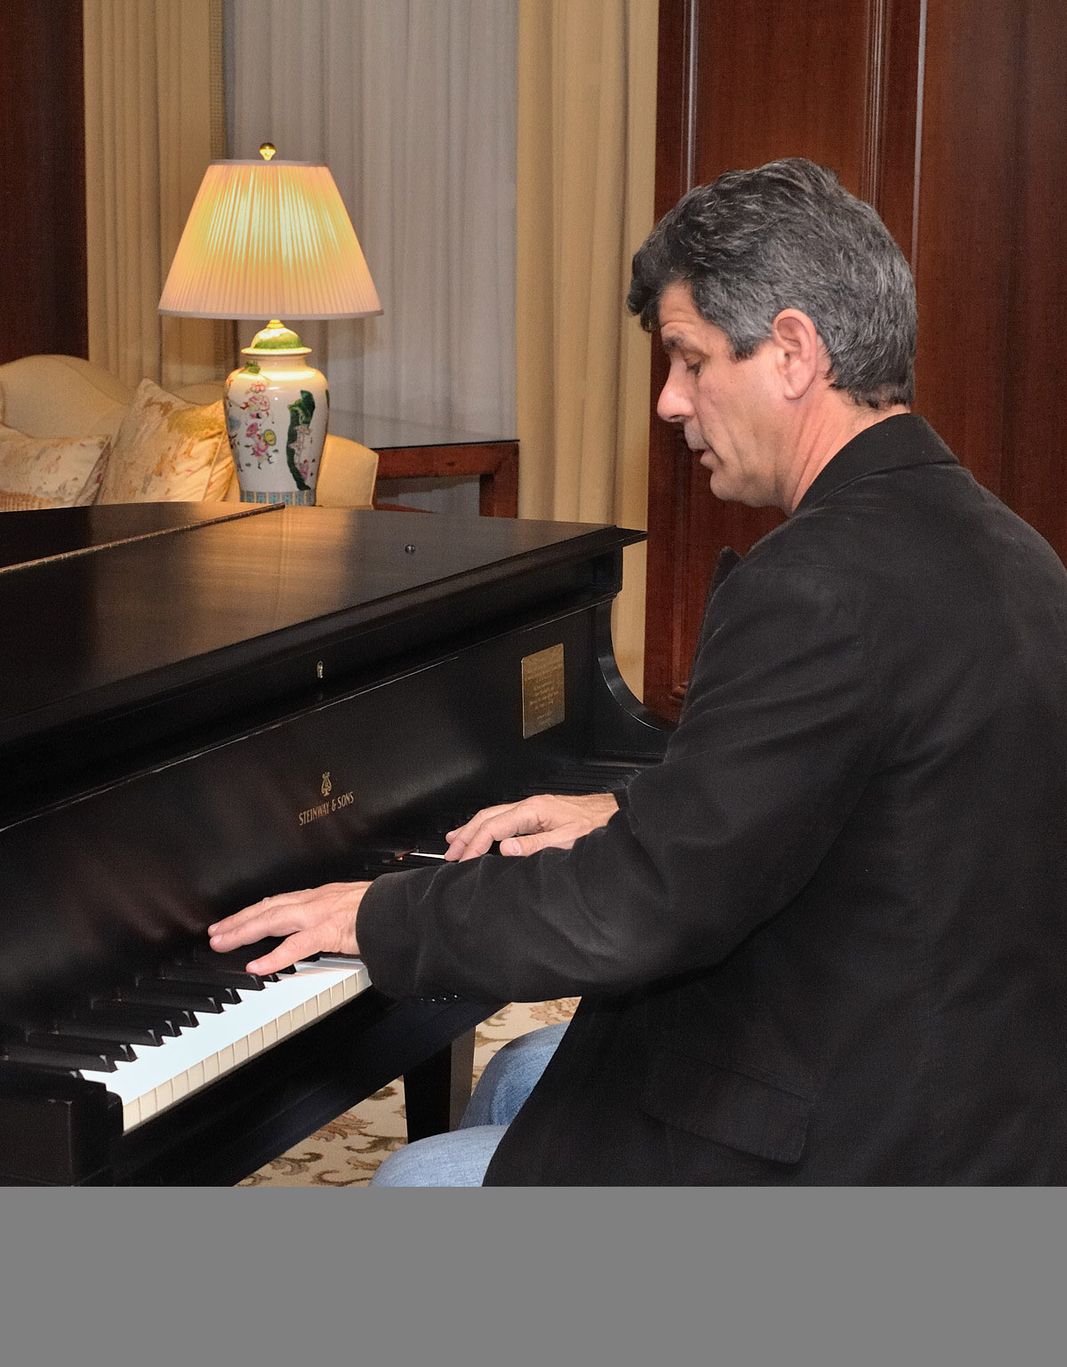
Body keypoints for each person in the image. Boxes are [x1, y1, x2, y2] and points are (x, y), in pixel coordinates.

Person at [209, 157, 1067, 1185]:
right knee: (522, 1075)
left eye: (689, 360)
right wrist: (626, 813)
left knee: (412, 1179)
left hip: (867, 1137)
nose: (668, 401)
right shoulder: (1002, 544)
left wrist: (374, 914)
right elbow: (857, 799)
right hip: (961, 1080)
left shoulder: (815, 587)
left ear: (792, 351)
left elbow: (638, 909)